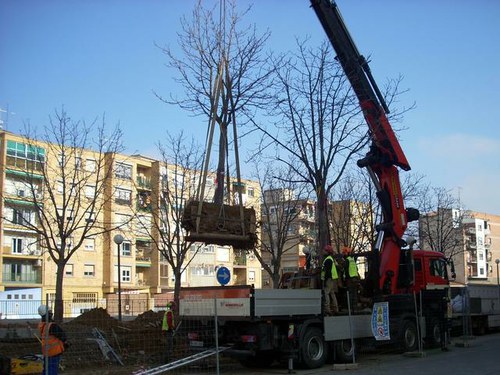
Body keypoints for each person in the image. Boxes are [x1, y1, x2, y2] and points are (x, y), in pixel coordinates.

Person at [37, 305, 68, 375]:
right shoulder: (51, 326)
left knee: (46, 369)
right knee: (52, 370)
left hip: (46, 351)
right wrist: (65, 343)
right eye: (50, 312)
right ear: (47, 314)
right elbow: (62, 335)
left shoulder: (42, 325)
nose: (51, 313)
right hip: (54, 351)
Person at [321, 245, 340, 315]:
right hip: (332, 278)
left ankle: (327, 309)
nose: (323, 251)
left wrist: (325, 280)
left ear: (327, 252)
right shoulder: (331, 259)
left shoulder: (328, 259)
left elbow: (327, 271)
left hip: (329, 278)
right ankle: (336, 308)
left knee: (326, 293)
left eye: (324, 250)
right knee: (332, 293)